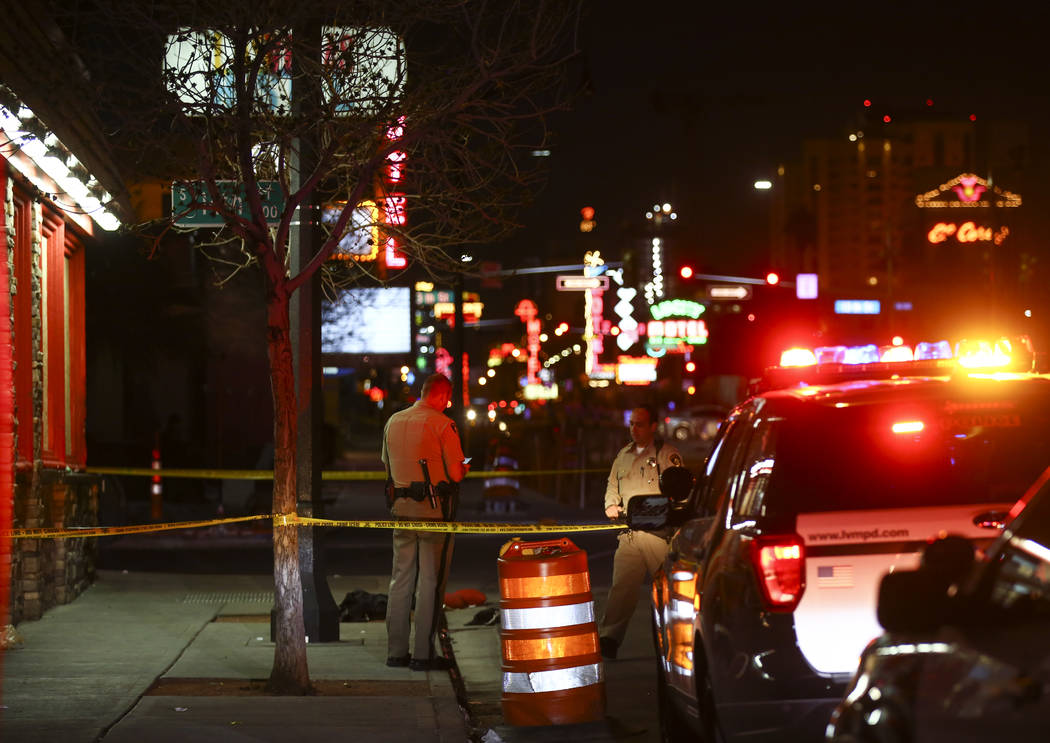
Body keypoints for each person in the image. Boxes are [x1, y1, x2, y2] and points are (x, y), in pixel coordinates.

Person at [381, 373, 470, 671]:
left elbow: (387, 465)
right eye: (448, 398)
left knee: (400, 579)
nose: (448, 404)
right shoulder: (442, 424)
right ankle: (423, 654)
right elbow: (456, 474)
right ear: (442, 394)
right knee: (431, 582)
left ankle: (395, 652)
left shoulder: (393, 422)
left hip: (400, 511)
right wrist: (464, 467)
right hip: (434, 514)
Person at [599, 405, 683, 659]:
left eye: (640, 424)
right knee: (621, 588)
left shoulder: (666, 454)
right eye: (632, 424)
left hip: (656, 535)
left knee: (667, 590)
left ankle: (677, 638)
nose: (634, 429)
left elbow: (678, 489)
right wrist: (611, 504)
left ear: (653, 427)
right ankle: (609, 639)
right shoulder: (623, 455)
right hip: (629, 534)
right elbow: (612, 484)